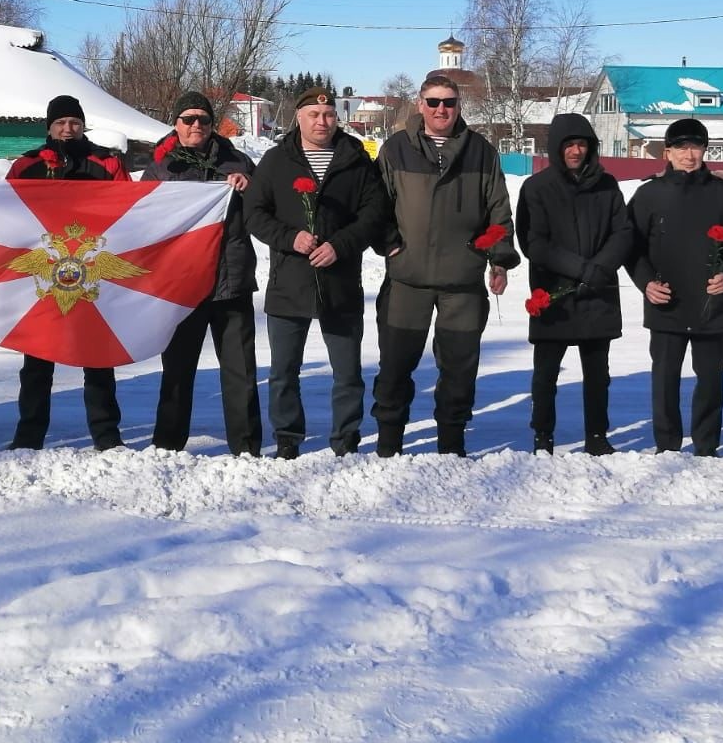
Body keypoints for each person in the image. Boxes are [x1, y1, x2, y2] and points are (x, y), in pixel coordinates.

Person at [371, 75, 519, 457]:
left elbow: (498, 212)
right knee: (395, 366)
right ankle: (389, 445)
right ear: (420, 104)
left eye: (449, 103)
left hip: (462, 282)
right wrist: (390, 245)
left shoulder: (481, 151)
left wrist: (498, 259)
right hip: (408, 279)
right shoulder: (396, 149)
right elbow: (376, 206)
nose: (441, 109)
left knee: (458, 369)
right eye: (434, 102)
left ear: (458, 106)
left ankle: (451, 446)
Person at [246, 87, 391, 458]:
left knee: (347, 372)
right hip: (289, 281)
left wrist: (340, 245)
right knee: (283, 373)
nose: (322, 121)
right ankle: (287, 438)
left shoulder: (355, 160)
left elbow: (374, 214)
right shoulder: (277, 160)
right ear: (299, 117)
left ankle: (345, 439)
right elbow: (255, 212)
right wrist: (289, 237)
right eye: (313, 114)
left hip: (339, 281)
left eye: (328, 115)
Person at [625, 117, 723, 457]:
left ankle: (707, 445)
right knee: (665, 380)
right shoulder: (648, 194)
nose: (689, 154)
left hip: (711, 303)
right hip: (666, 300)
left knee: (710, 380)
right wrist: (645, 283)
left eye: (695, 146)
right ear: (667, 152)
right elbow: (630, 246)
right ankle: (667, 445)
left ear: (704, 150)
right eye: (681, 147)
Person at [5, 94, 131, 451]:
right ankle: (29, 436)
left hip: (92, 273)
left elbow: (129, 210)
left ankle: (107, 436)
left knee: (98, 359)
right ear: (49, 127)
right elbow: (4, 209)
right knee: (37, 360)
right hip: (44, 275)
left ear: (83, 125)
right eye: (60, 123)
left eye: (74, 122)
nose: (67, 129)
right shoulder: (27, 165)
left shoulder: (106, 162)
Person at [140, 91, 263, 456]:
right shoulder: (160, 169)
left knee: (240, 372)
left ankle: (246, 448)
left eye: (204, 120)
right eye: (189, 119)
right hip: (182, 285)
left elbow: (264, 212)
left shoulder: (238, 161)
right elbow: (143, 223)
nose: (197, 125)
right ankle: (167, 445)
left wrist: (249, 188)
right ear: (175, 123)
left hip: (231, 280)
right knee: (177, 371)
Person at [515, 113, 632, 456]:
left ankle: (597, 435)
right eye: (569, 145)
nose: (576, 151)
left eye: (582, 144)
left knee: (598, 374)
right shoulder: (537, 188)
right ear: (556, 148)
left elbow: (622, 232)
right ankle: (543, 436)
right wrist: (582, 269)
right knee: (546, 375)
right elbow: (534, 243)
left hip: (598, 295)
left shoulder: (607, 186)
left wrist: (601, 269)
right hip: (555, 295)